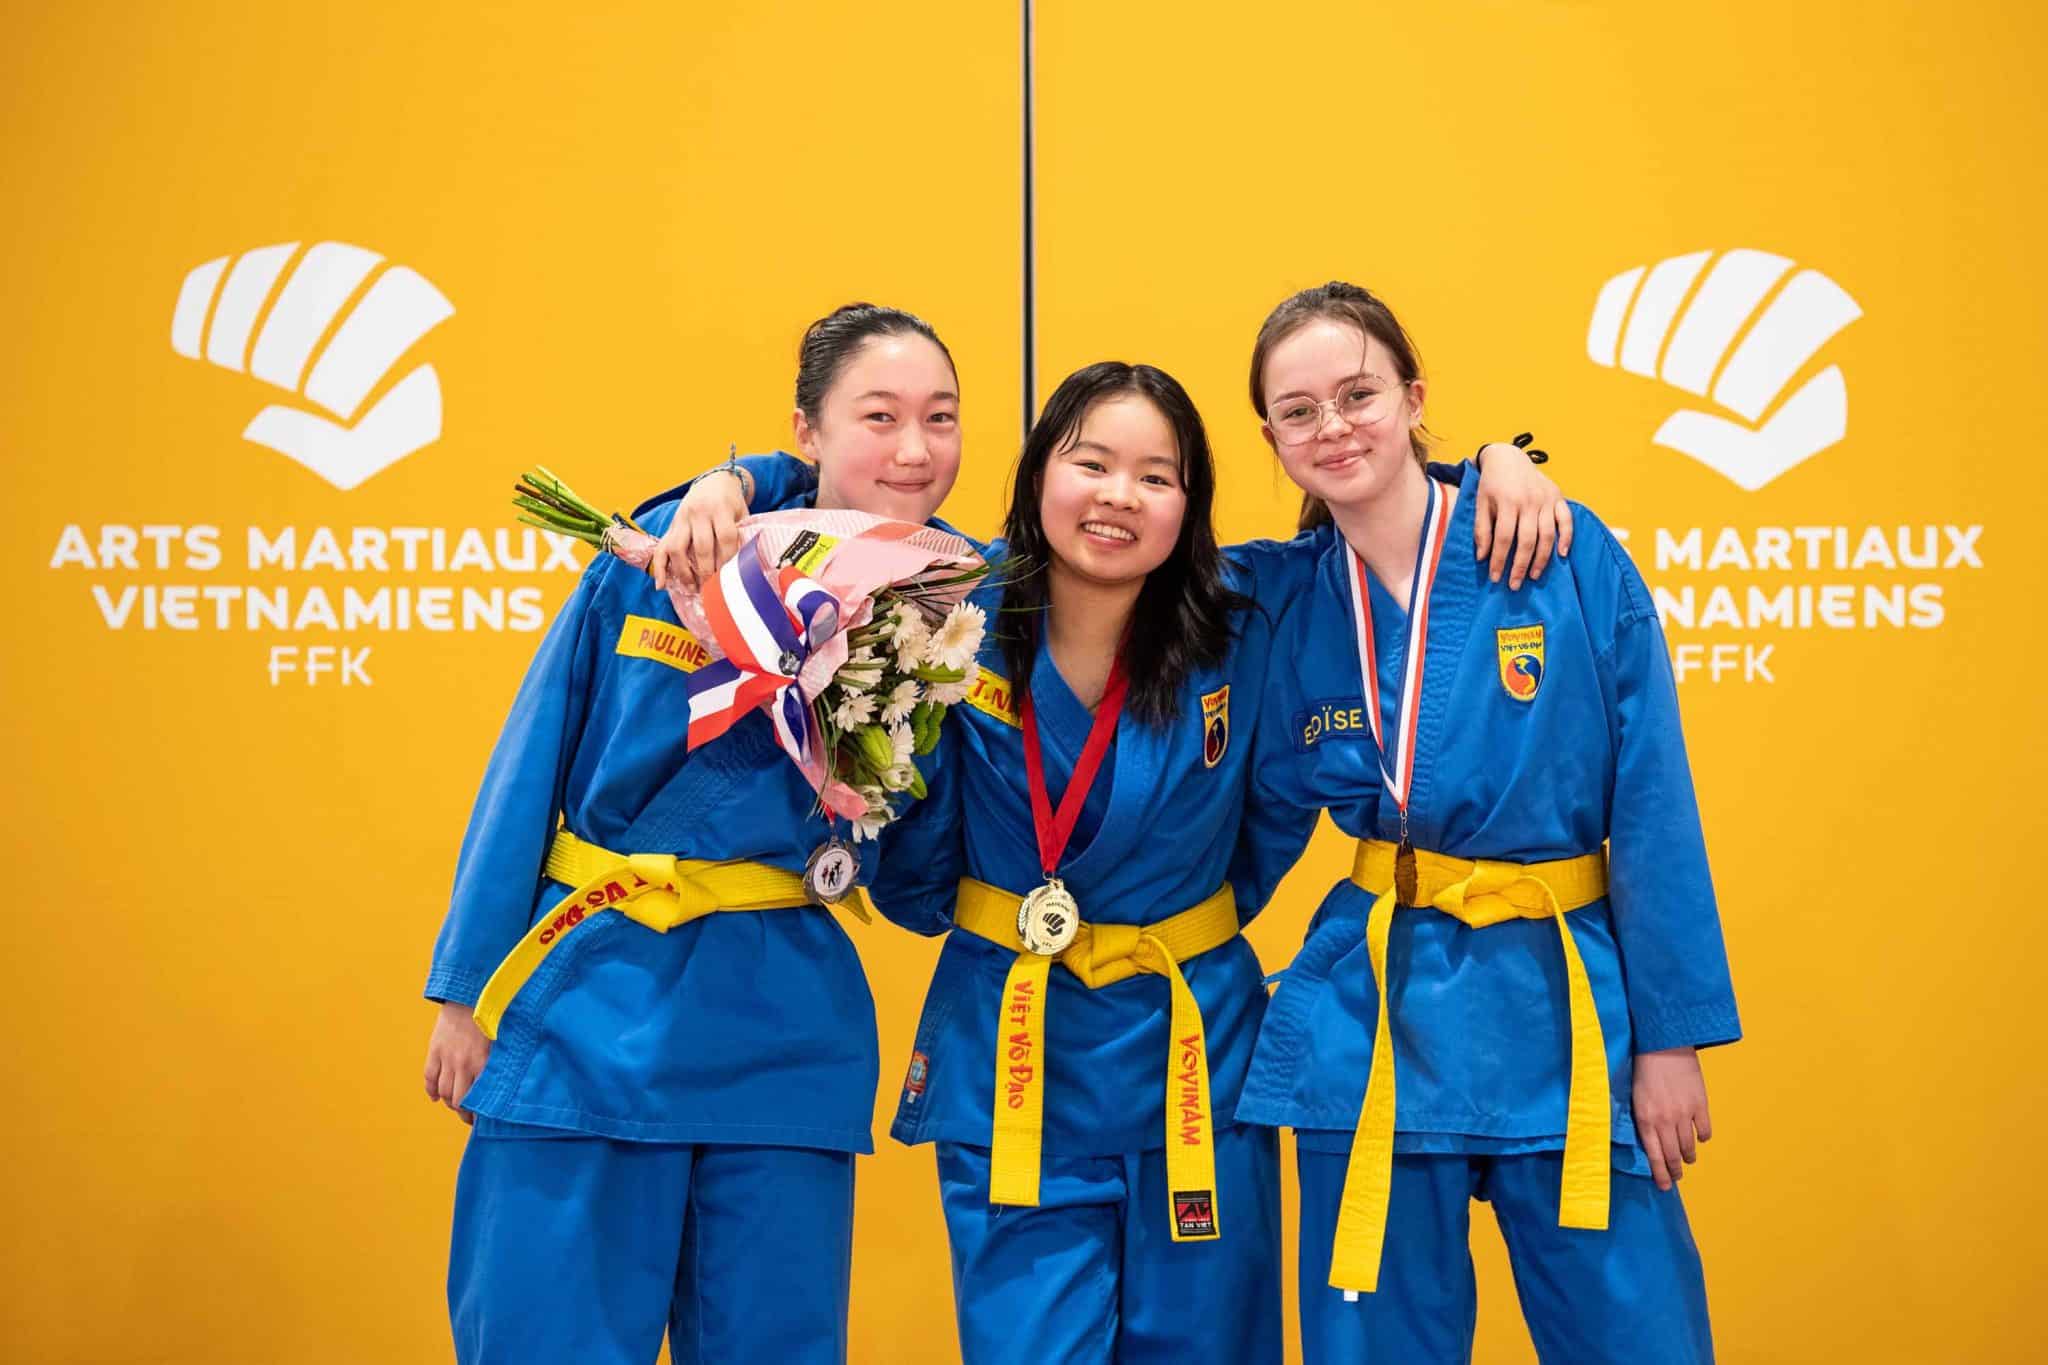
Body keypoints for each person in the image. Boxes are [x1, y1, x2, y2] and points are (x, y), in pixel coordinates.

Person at [662, 350, 1566, 1362]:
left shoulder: (1245, 610)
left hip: (1193, 1056)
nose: (1117, 497)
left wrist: (1490, 467)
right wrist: (732, 481)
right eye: (1090, 464)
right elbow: (828, 506)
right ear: (1038, 472)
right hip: (1010, 1057)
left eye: (1155, 476)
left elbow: (1373, 510)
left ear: (1190, 503)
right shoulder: (941, 602)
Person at [418, 302, 967, 1364]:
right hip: (589, 1004)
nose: (914, 449)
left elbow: (918, 864)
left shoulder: (949, 607)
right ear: (806, 429)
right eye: (879, 415)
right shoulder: (667, 552)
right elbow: (528, 765)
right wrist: (464, 987)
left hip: (786, 1032)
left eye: (940, 418)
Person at [1230, 282, 1740, 1364]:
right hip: (1373, 1021)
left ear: (1414, 399)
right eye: (1298, 411)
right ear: (1271, 439)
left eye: (1358, 394)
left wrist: (1670, 1037)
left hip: (1563, 1017)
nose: (1333, 428)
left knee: (1640, 1340)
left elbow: (1651, 798)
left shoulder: (1557, 550)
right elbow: (1097, 553)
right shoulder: (1277, 596)